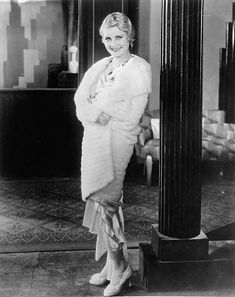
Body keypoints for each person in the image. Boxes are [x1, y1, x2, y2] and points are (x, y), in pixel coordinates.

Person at [74, 12, 152, 297]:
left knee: (107, 204)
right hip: (93, 142)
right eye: (107, 37)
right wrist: (97, 111)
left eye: (118, 37)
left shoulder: (139, 68)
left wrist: (101, 105)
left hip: (117, 142)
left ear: (130, 37)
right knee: (102, 204)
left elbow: (131, 114)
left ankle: (122, 268)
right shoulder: (100, 65)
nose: (112, 43)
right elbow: (80, 102)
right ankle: (111, 263)